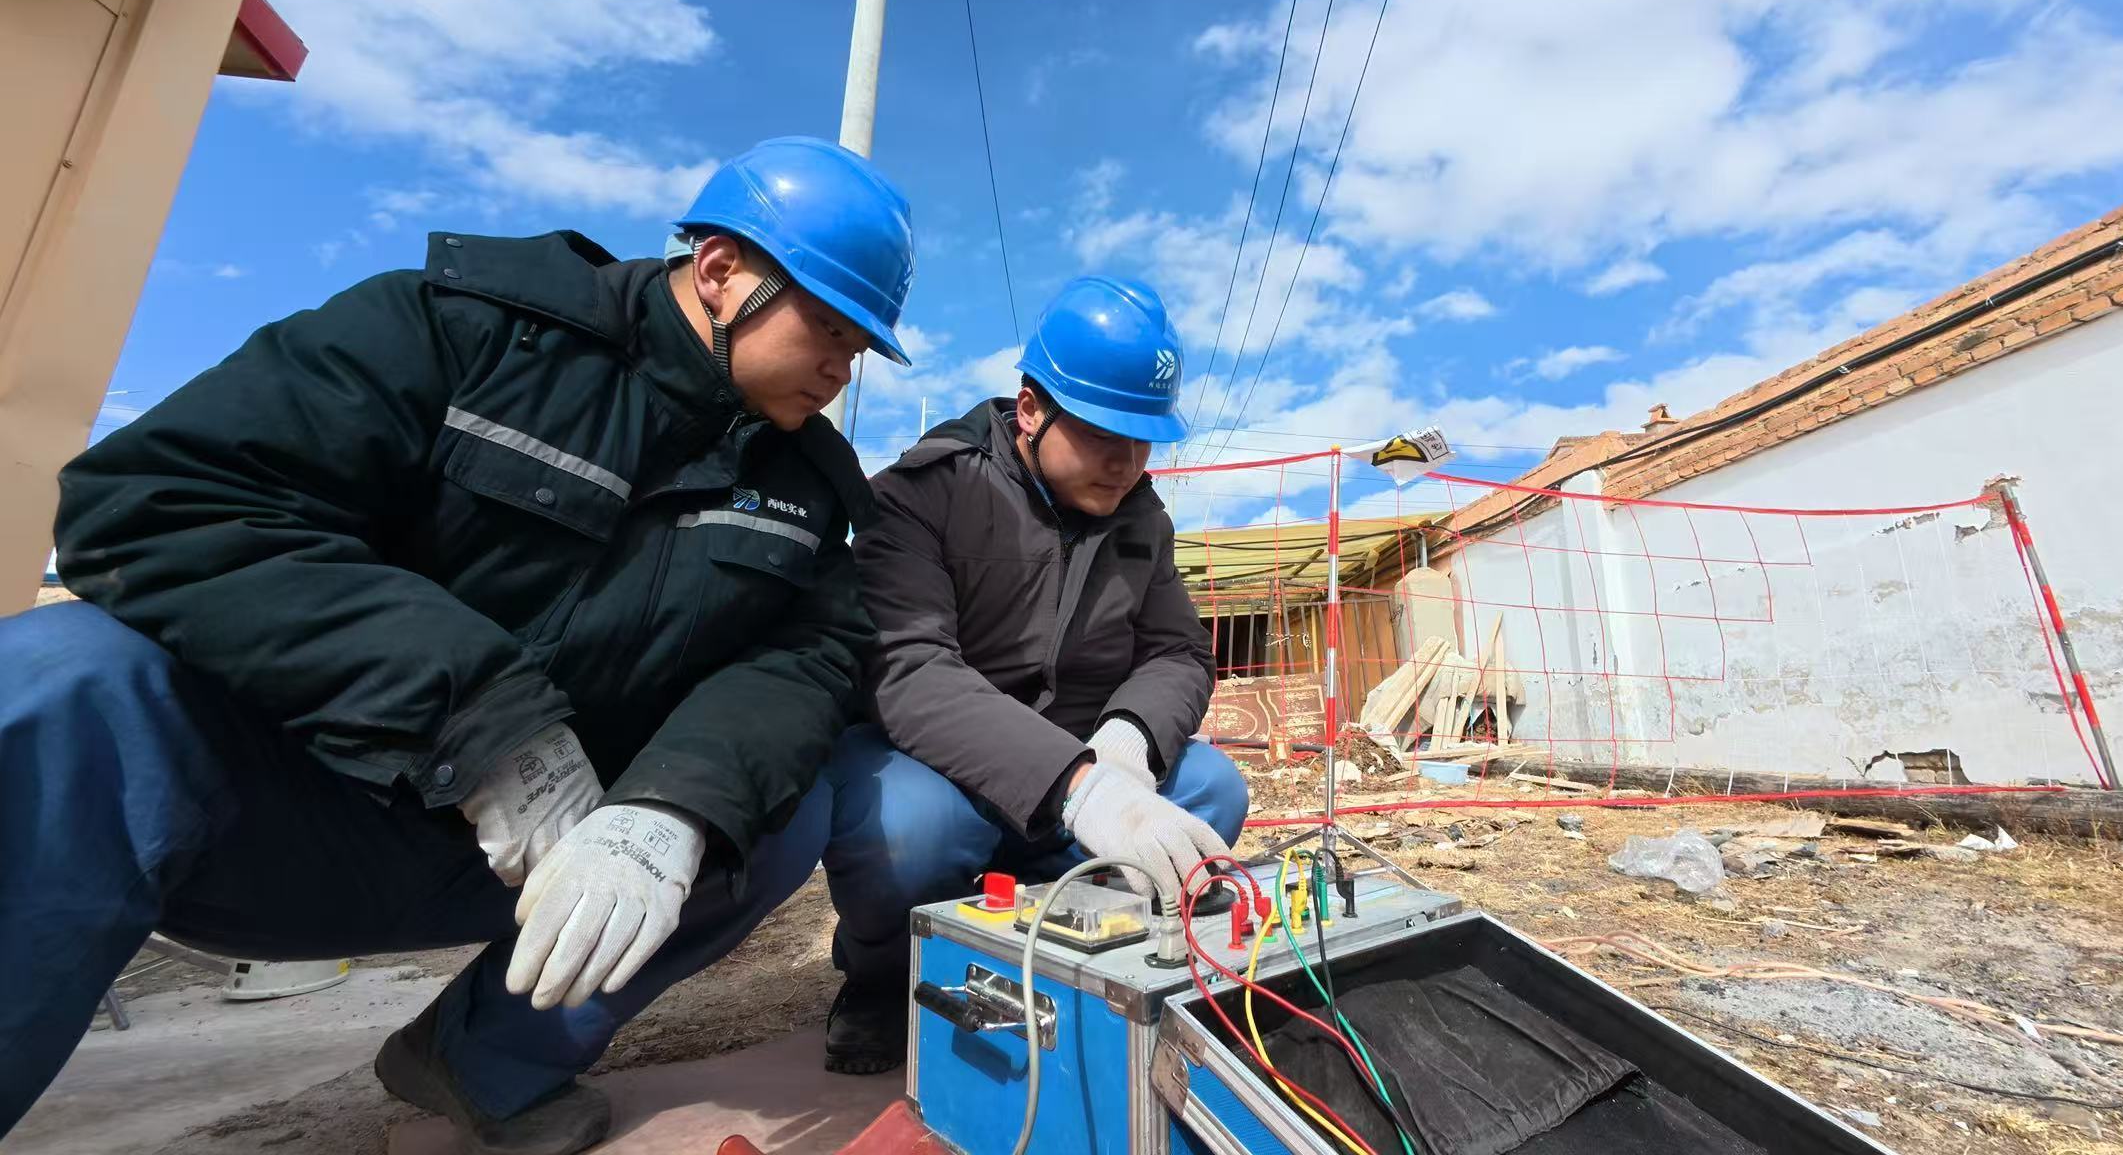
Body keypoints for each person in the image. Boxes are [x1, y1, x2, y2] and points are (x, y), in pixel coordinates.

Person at [0, 137, 916, 1155]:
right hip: (289, 808)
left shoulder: (807, 487)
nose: (840, 369)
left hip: (545, 853)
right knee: (69, 676)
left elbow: (804, 661)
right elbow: (161, 502)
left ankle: (481, 1058)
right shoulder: (463, 333)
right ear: (720, 270)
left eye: (859, 348)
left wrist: (672, 807)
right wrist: (486, 726)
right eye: (828, 328)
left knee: (775, 810)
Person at [818, 275, 1250, 1075]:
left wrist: (1127, 744)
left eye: (1144, 439)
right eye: (1103, 434)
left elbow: (1179, 651)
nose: (1126, 463)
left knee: (1212, 786)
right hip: (942, 769)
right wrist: (1079, 786)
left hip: (1086, 767)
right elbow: (909, 665)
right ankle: (886, 977)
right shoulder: (923, 495)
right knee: (904, 826)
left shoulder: (1142, 521)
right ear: (1030, 410)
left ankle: (1088, 958)